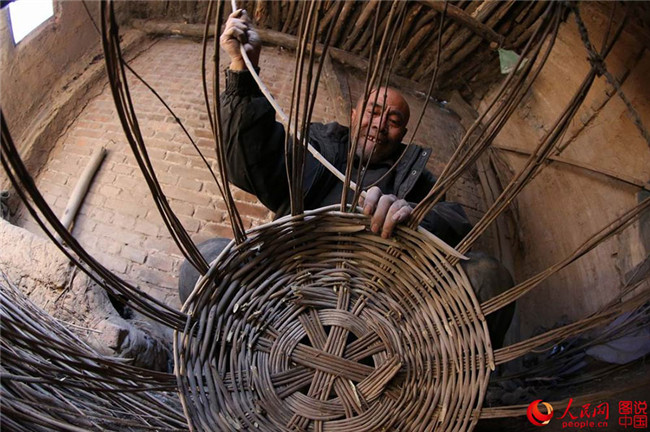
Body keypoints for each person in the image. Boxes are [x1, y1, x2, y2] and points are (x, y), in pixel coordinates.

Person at [179, 9, 515, 348]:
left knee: (488, 274)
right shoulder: (316, 147)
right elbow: (247, 162)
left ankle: (448, 393)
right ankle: (226, 367)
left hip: (383, 319)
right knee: (206, 259)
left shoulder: (416, 177)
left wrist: (413, 215)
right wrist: (242, 70)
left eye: (394, 119)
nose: (381, 123)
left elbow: (456, 221)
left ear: (403, 134)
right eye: (374, 110)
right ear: (354, 115)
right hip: (286, 299)